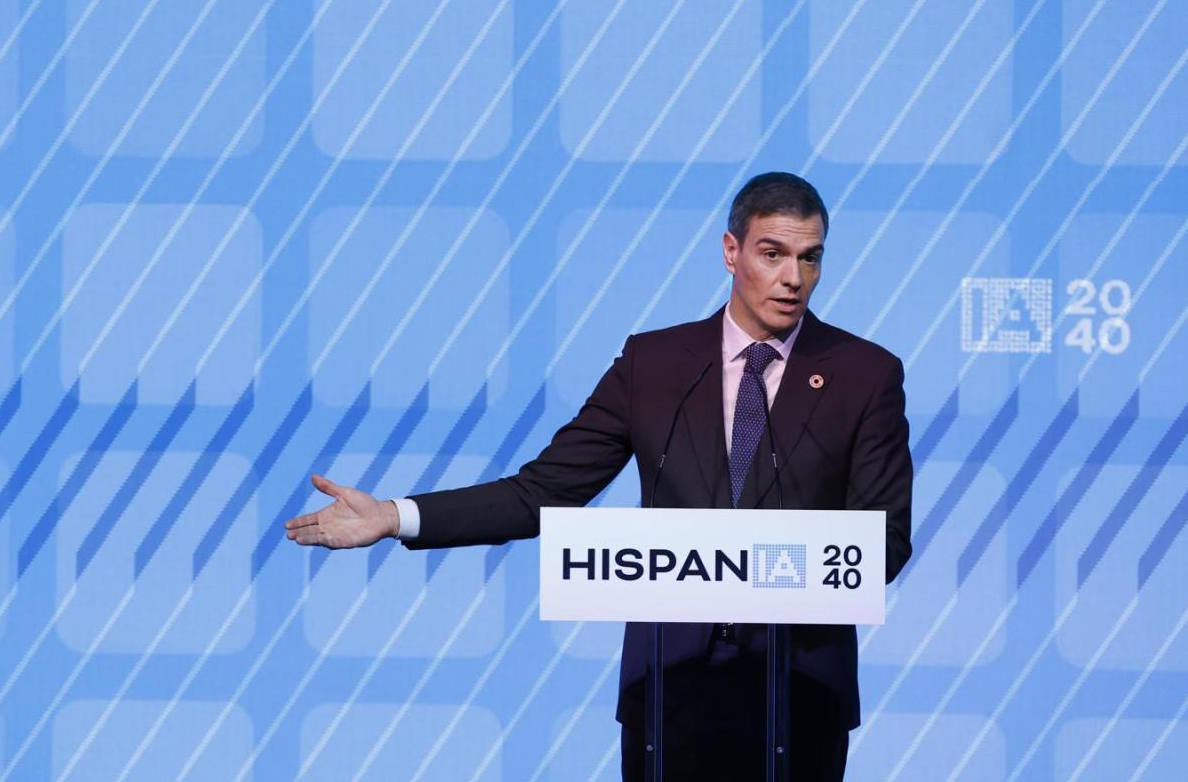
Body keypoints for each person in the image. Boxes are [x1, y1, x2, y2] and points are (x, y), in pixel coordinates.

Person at [286, 172, 913, 781]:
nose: (793, 278)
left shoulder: (863, 374)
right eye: (773, 254)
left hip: (799, 693)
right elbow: (542, 492)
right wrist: (396, 516)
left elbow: (883, 544)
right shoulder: (656, 364)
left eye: (811, 259)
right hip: (669, 691)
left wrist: (754, 567)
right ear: (731, 251)